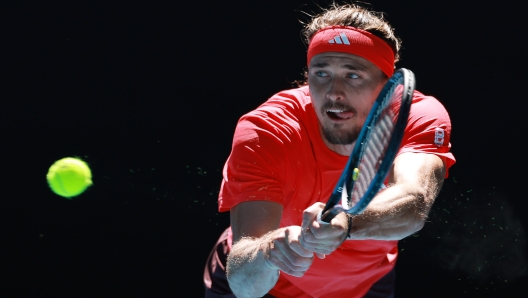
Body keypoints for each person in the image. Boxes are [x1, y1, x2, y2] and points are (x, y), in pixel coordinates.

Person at [204, 3, 455, 298]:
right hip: (268, 287)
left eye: (353, 75)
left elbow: (414, 202)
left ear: (386, 84)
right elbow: (245, 285)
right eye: (322, 74)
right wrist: (271, 251)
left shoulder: (418, 115)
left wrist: (347, 223)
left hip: (365, 286)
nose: (334, 92)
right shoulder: (265, 130)